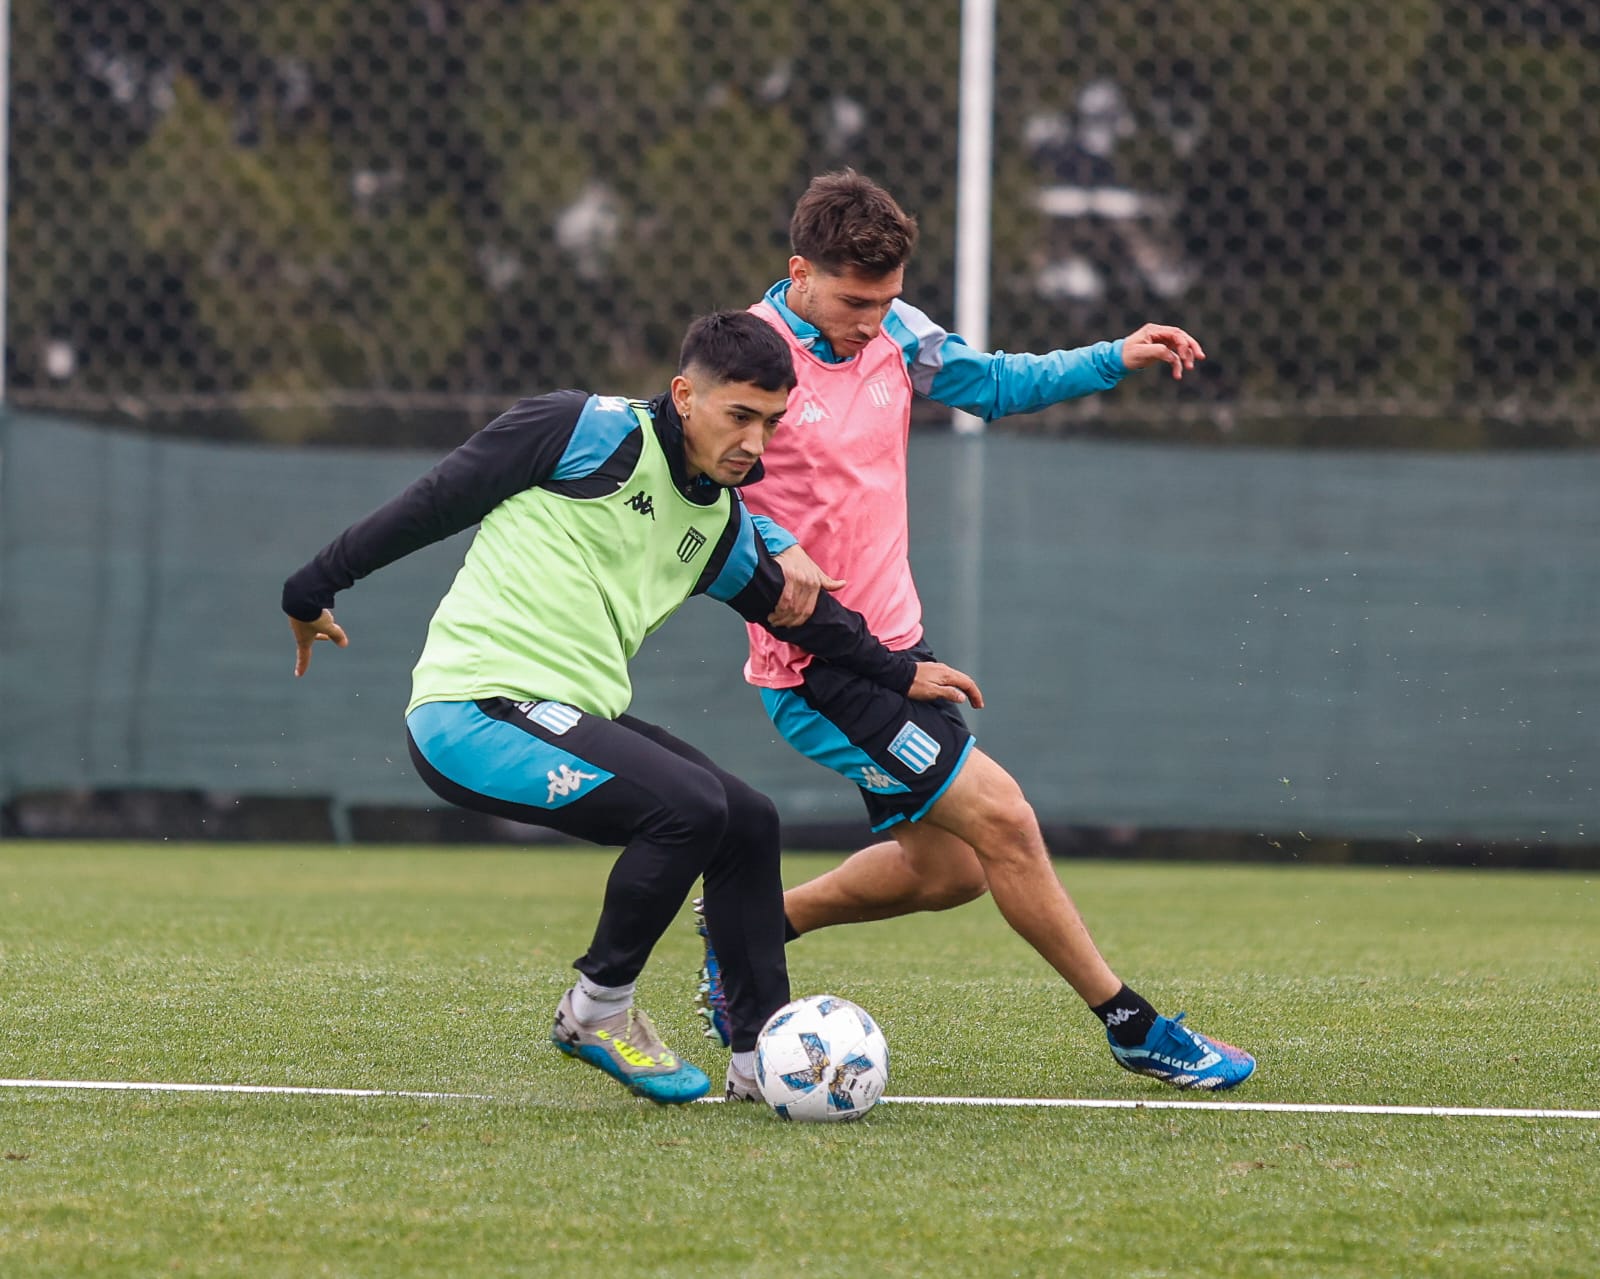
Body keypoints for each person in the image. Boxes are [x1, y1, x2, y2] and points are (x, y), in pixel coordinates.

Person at [281, 310, 982, 1105]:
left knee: (747, 819)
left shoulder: (717, 523)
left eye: (772, 422)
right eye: (739, 416)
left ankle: (760, 1060)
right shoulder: (583, 429)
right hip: (474, 709)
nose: (756, 442)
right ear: (684, 395)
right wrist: (312, 586)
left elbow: (802, 614)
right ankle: (597, 1007)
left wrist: (899, 672)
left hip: (566, 716)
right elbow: (436, 501)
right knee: (687, 809)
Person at [693, 171, 1254, 1091]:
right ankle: (1133, 1025)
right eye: (853, 300)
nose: (873, 320)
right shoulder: (750, 361)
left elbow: (991, 383)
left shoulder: (898, 335)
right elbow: (706, 482)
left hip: (900, 650)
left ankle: (750, 927)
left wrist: (1115, 354)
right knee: (1006, 820)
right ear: (798, 271)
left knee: (947, 870)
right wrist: (778, 543)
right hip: (817, 664)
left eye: (887, 299)